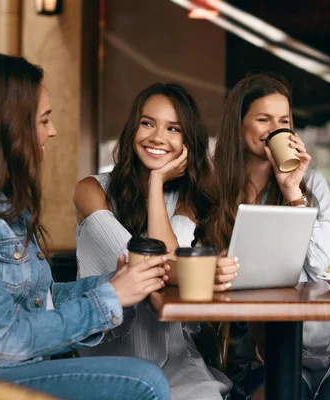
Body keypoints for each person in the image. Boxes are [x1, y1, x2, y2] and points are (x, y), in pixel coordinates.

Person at [0, 52, 170, 400]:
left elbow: (41, 300)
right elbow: (1, 342)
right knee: (144, 381)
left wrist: (113, 284)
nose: (52, 131)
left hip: (6, 366)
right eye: (44, 120)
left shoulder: (4, 204)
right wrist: (110, 298)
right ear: (9, 127)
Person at [206, 73, 330, 400]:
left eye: (283, 121)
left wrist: (293, 191)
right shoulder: (215, 194)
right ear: (238, 126)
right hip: (273, 352)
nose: (274, 129)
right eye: (263, 119)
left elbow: (328, 268)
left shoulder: (312, 185)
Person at [74, 82, 234, 400]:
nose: (157, 137)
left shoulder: (187, 201)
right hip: (109, 351)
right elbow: (144, 267)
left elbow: (168, 255)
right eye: (147, 123)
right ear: (133, 127)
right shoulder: (91, 190)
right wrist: (201, 273)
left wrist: (156, 183)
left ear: (188, 141)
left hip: (173, 355)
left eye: (173, 128)